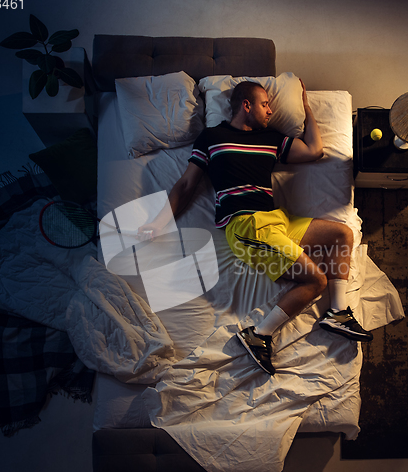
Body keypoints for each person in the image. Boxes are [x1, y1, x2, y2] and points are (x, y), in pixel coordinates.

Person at [138, 80, 373, 375]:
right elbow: (186, 184)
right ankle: (259, 335)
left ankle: (338, 313)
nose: (271, 111)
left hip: (278, 220)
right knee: (315, 281)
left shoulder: (271, 138)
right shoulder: (212, 137)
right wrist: (158, 223)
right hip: (247, 227)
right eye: (265, 105)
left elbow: (314, 150)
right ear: (246, 106)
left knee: (342, 234)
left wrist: (307, 107)